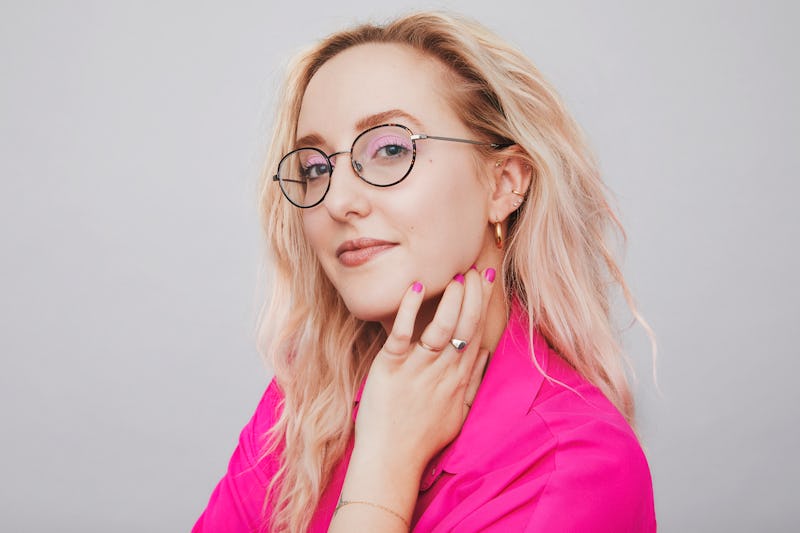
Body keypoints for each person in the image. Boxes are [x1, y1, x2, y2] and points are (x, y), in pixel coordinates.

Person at [194, 10, 656, 533]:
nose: (339, 200)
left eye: (390, 149)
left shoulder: (577, 467)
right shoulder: (309, 398)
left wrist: (385, 461)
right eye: (316, 167)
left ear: (504, 183)